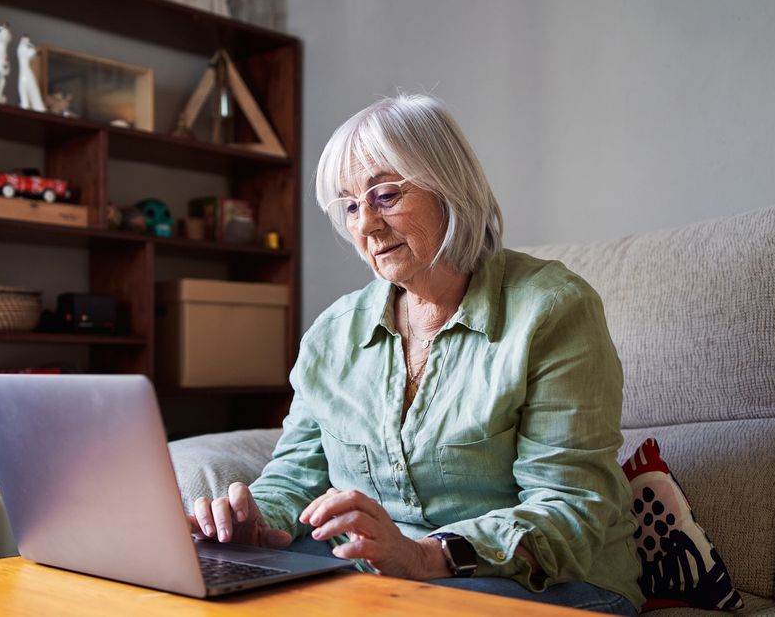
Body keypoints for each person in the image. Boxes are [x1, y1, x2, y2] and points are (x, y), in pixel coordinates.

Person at [189, 94, 643, 615]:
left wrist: (424, 556)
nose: (365, 226)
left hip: (551, 586)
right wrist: (255, 524)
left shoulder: (551, 311)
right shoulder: (332, 335)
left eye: (384, 195)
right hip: (378, 581)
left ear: (450, 188)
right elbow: (294, 476)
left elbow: (569, 508)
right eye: (352, 206)